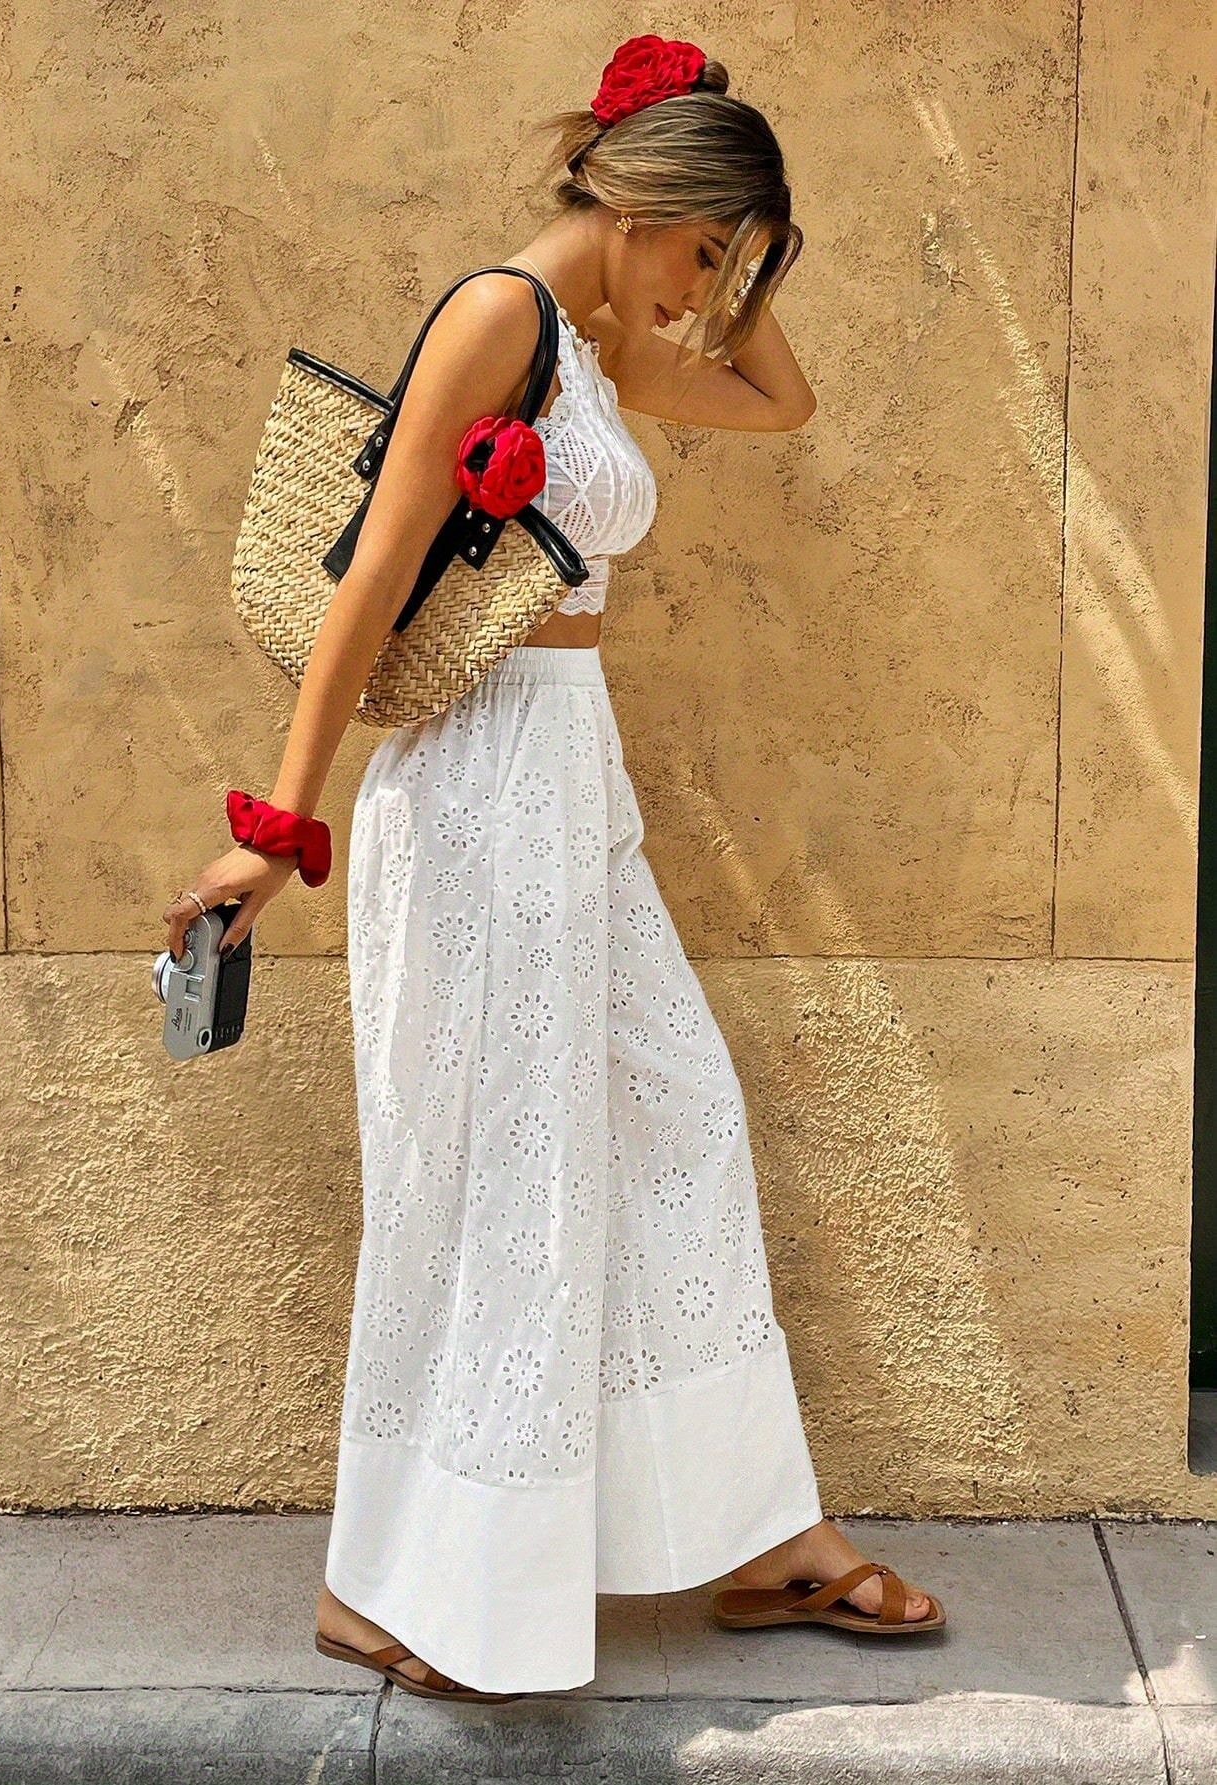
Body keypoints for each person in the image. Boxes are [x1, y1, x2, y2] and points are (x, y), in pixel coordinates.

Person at [162, 34, 944, 1704]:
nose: (703, 296)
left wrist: (741, 262)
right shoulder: (498, 316)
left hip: (571, 784)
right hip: (478, 785)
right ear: (643, 197)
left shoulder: (591, 350)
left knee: (676, 1117)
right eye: (701, 252)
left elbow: (780, 400)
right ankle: (405, 1582)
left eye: (724, 269)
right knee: (495, 1176)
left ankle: (754, 1531)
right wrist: (277, 828)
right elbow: (374, 574)